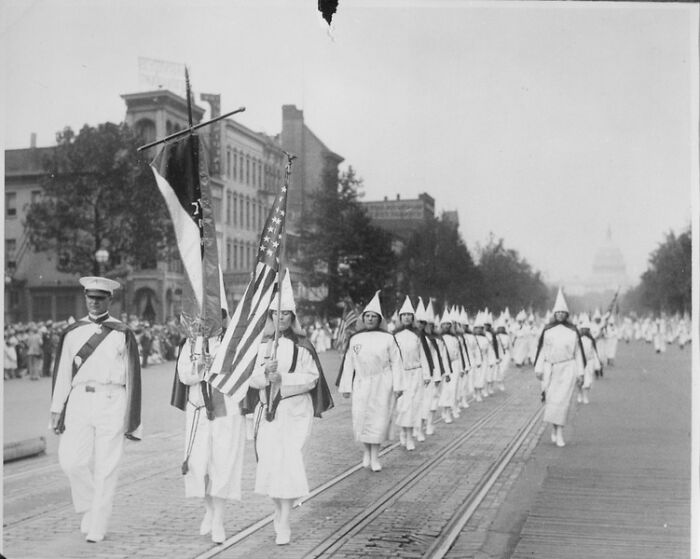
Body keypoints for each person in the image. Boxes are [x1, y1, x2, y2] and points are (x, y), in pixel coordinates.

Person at [49, 276, 141, 543]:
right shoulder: (72, 332)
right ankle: (90, 504)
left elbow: (132, 375)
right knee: (70, 461)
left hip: (112, 399)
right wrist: (56, 410)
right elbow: (63, 374)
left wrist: (132, 418)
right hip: (79, 399)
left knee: (106, 466)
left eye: (100, 298)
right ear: (85, 298)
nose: (94, 302)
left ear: (109, 300)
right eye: (90, 297)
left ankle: (98, 523)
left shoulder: (121, 332)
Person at [247, 271, 333, 545]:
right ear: (270, 316)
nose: (280, 318)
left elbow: (311, 378)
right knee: (272, 465)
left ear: (292, 317)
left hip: (294, 411)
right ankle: (279, 506)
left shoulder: (303, 346)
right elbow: (252, 380)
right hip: (268, 413)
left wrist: (284, 379)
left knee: (289, 462)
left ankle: (284, 519)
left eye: (285, 313)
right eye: (275, 313)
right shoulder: (262, 347)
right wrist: (264, 374)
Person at [171, 311, 246, 544]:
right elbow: (184, 375)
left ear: (223, 320)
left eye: (213, 318)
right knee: (197, 464)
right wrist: (200, 367)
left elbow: (242, 372)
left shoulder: (234, 343)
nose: (206, 323)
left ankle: (219, 520)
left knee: (221, 464)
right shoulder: (191, 343)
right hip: (198, 410)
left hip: (225, 410)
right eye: (202, 318)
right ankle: (209, 509)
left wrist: (219, 366)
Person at [338, 290, 403, 472]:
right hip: (362, 383)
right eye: (367, 316)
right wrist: (346, 387)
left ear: (379, 319)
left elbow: (397, 362)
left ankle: (376, 456)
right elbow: (349, 364)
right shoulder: (355, 339)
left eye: (374, 317)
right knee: (362, 418)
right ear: (363, 319)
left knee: (379, 420)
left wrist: (398, 385)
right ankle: (366, 452)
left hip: (382, 383)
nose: (370, 319)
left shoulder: (388, 339)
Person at [533, 288, 585, 448]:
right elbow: (542, 350)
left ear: (567, 315)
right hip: (551, 369)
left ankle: (560, 432)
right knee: (552, 401)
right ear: (554, 314)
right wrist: (539, 368)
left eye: (563, 313)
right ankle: (554, 429)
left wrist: (581, 373)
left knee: (563, 402)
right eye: (558, 313)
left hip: (568, 368)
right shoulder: (548, 330)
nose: (561, 315)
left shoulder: (573, 331)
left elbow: (578, 353)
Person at [392, 296, 431, 451]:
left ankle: (409, 436)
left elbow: (424, 355)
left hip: (416, 373)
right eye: (404, 315)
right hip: (401, 374)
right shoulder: (394, 335)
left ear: (413, 317)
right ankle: (403, 432)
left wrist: (427, 375)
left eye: (409, 315)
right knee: (403, 406)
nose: (407, 317)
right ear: (400, 317)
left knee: (413, 405)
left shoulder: (418, 335)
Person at [576, 313, 601, 405]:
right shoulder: (577, 340)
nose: (585, 331)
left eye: (587, 330)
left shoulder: (591, 340)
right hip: (580, 362)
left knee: (588, 380)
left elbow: (594, 352)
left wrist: (597, 365)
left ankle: (585, 396)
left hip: (589, 362)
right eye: (583, 330)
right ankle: (579, 394)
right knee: (579, 379)